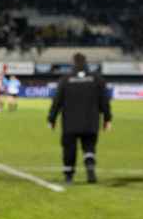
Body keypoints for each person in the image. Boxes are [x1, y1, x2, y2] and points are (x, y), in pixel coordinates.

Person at [47, 53, 112, 184]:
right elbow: (104, 100)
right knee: (89, 146)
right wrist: (107, 118)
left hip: (70, 123)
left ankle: (69, 176)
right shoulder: (96, 79)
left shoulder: (66, 80)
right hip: (91, 121)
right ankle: (89, 165)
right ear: (86, 63)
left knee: (69, 149)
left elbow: (57, 101)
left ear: (73, 63)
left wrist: (51, 119)